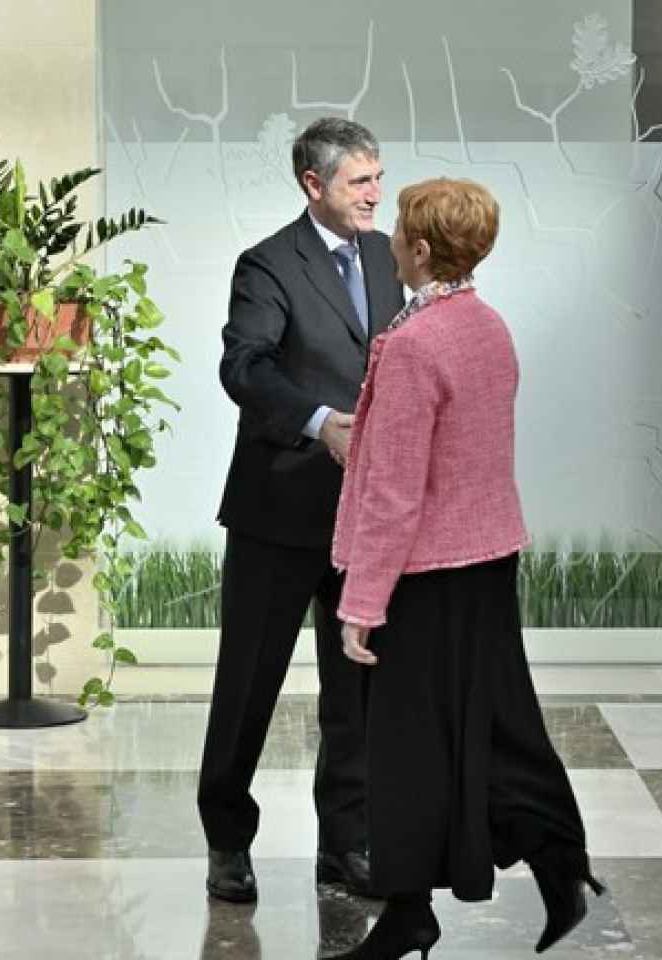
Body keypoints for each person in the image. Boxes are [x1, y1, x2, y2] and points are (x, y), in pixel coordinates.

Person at [330, 177, 602, 958]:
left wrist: (363, 600)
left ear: (419, 249)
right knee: (495, 723)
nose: (387, 243)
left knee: (406, 745)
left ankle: (411, 912)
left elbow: (393, 488)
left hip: (424, 575)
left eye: (398, 233)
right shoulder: (487, 325)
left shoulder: (416, 345)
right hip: (484, 561)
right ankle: (558, 864)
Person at [200, 117, 404, 902]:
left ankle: (345, 844)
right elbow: (243, 367)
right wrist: (322, 426)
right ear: (313, 185)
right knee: (247, 685)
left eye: (379, 177)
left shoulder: (388, 258)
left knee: (355, 689)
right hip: (278, 511)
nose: (375, 194)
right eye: (360, 181)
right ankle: (227, 841)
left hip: (366, 516)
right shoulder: (267, 265)